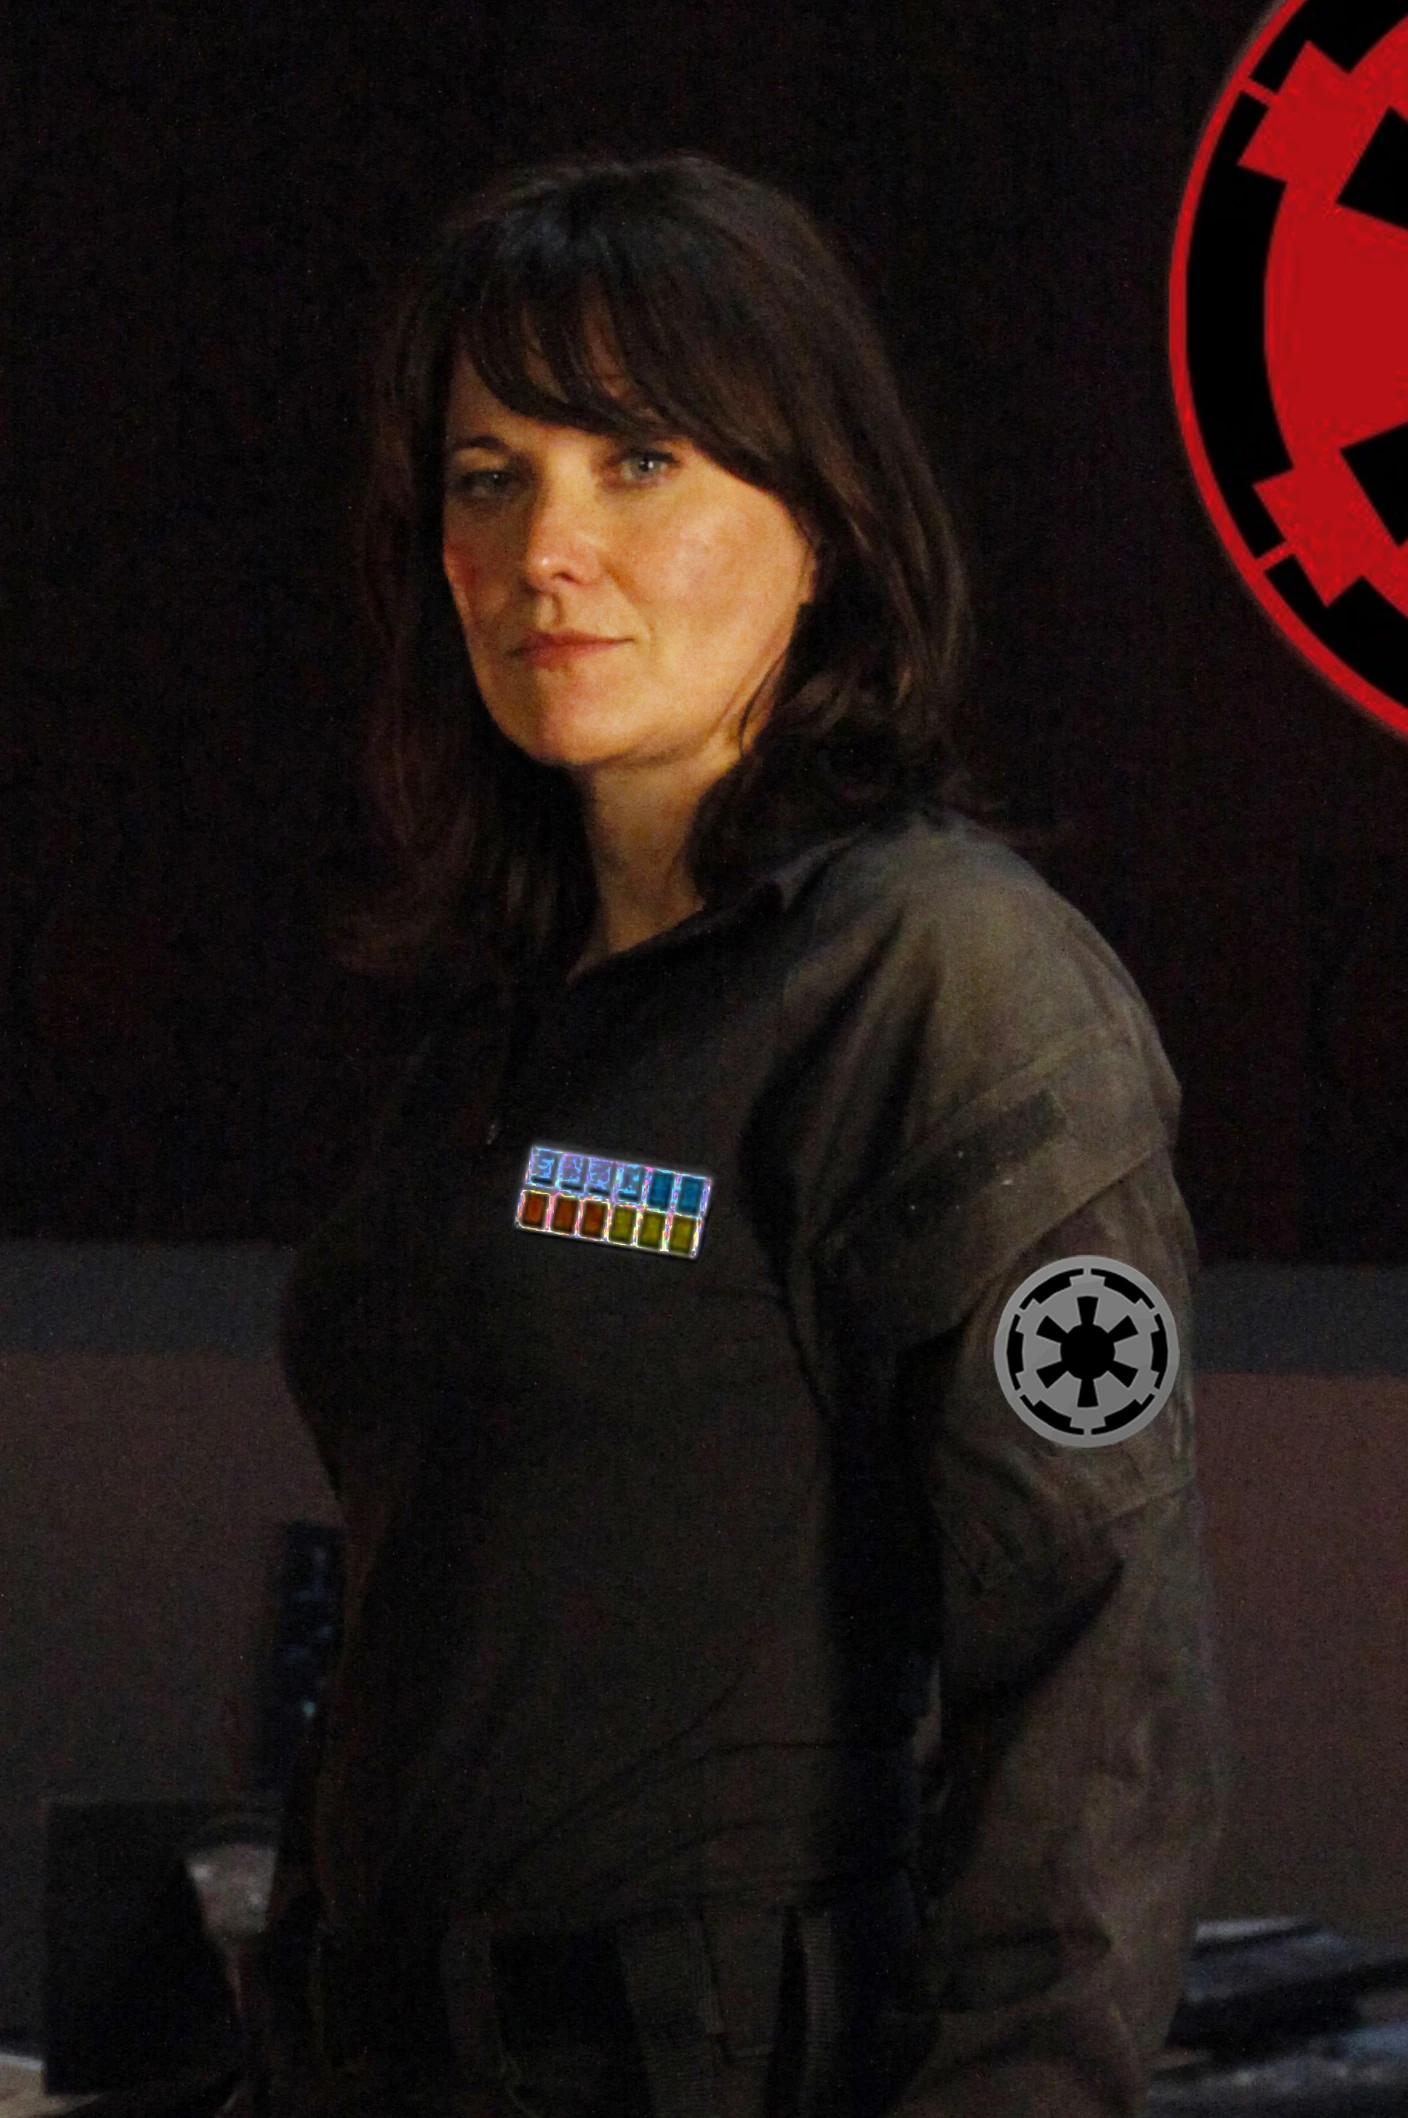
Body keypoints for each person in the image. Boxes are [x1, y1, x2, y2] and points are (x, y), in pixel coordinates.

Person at [244, 153, 1224, 2118]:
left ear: (823, 523)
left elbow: (1096, 1693)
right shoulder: (505, 1008)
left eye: (635, 462)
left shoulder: (947, 987)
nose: (546, 548)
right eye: (487, 476)